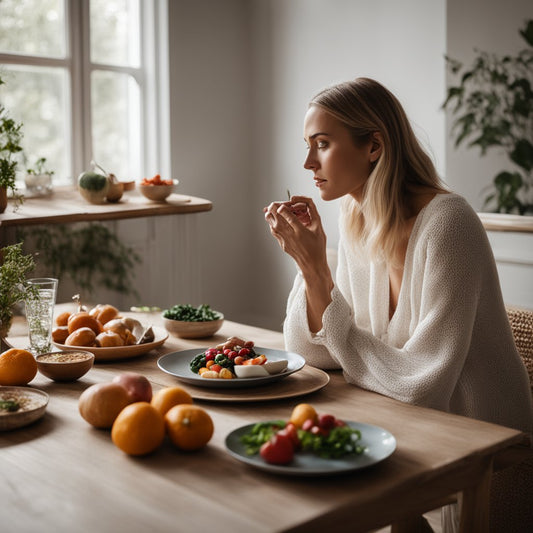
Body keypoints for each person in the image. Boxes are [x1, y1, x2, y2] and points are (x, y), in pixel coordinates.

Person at [264, 77, 533, 533]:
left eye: (322, 144)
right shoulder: (354, 218)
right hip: (404, 427)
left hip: (480, 448)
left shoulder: (449, 226)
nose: (308, 162)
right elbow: (314, 351)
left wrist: (318, 272)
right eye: (308, 146)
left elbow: (422, 386)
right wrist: (310, 268)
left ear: (374, 146)